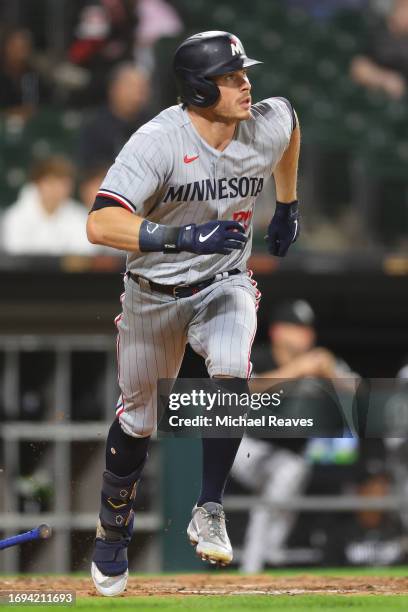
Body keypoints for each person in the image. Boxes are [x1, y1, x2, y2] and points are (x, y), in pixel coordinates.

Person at [86, 30, 300, 596]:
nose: (246, 83)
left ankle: (209, 506)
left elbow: (291, 123)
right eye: (231, 77)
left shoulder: (263, 122)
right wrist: (179, 236)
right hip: (153, 292)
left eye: (243, 73)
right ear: (201, 88)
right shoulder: (157, 141)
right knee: (139, 419)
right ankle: (112, 529)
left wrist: (288, 203)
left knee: (231, 368)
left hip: (224, 280)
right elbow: (100, 223)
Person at [232, 300, 356, 572]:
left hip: (289, 456)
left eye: (307, 329)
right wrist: (298, 370)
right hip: (246, 448)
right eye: (296, 328)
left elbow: (358, 395)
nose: (305, 335)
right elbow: (247, 388)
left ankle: (263, 561)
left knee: (288, 475)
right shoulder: (258, 356)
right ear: (277, 332)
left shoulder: (322, 361)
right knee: (281, 478)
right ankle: (262, 560)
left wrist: (331, 373)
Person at [1, 156, 93, 255]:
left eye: (63, 184)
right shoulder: (14, 217)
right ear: (37, 183)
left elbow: (83, 255)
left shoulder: (80, 216)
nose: (57, 189)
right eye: (51, 183)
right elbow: (15, 258)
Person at [77, 63, 151, 169]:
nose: (138, 93)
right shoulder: (94, 125)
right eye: (131, 86)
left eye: (143, 87)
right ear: (113, 89)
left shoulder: (155, 125)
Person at [350, 0, 408, 100]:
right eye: (404, 7)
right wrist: (385, 79)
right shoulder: (375, 26)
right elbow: (358, 67)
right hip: (367, 97)